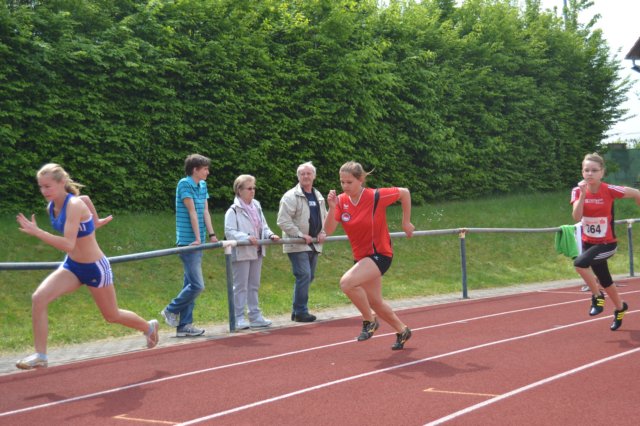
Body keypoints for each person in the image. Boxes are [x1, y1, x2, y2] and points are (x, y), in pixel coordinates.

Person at [15, 163, 159, 370]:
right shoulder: (52, 207)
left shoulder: (73, 205)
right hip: (72, 266)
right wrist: (95, 221)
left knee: (111, 316)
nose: (44, 191)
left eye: (48, 186)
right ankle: (41, 355)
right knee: (39, 298)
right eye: (41, 187)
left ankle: (148, 327)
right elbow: (86, 199)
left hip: (95, 268)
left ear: (62, 183)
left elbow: (68, 243)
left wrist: (38, 232)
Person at [324, 161, 415, 350]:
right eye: (342, 182)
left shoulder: (375, 196)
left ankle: (369, 321)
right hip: (362, 258)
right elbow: (328, 230)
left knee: (347, 283)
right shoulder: (340, 201)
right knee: (375, 302)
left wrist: (406, 222)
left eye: (349, 182)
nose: (345, 186)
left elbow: (404, 192)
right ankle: (402, 330)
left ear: (361, 180)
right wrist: (332, 207)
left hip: (380, 254)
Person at [571, 153, 640, 331]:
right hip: (589, 243)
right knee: (606, 280)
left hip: (607, 244)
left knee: (580, 264)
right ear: (582, 172)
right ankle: (620, 307)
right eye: (586, 170)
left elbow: (636, 193)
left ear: (602, 172)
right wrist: (583, 195)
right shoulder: (577, 191)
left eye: (594, 170)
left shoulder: (609, 189)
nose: (590, 174)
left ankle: (597, 296)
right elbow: (576, 217)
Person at [160, 154, 218, 337]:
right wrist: (197, 239)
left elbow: (205, 211)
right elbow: (192, 212)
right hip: (188, 241)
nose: (208, 172)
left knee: (190, 284)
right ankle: (170, 309)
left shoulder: (203, 185)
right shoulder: (184, 184)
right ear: (195, 169)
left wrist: (212, 235)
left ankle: (184, 326)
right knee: (197, 285)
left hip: (198, 241)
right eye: (205, 169)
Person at [225, 175, 280, 329]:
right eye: (249, 188)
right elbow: (229, 232)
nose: (253, 191)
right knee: (240, 286)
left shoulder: (257, 206)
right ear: (239, 190)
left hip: (257, 251)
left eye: (254, 188)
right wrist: (246, 237)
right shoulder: (233, 210)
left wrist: (270, 235)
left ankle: (255, 316)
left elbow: (263, 226)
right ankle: (238, 318)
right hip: (242, 252)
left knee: (254, 285)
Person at [277, 162, 328, 322]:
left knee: (309, 276)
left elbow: (325, 216)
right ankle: (300, 311)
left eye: (308, 173)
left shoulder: (318, 195)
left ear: (314, 176)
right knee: (304, 274)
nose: (305, 176)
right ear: (298, 176)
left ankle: (297, 311)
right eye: (302, 174)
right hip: (297, 243)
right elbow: (282, 221)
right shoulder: (290, 196)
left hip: (314, 243)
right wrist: (300, 235)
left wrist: (323, 231)